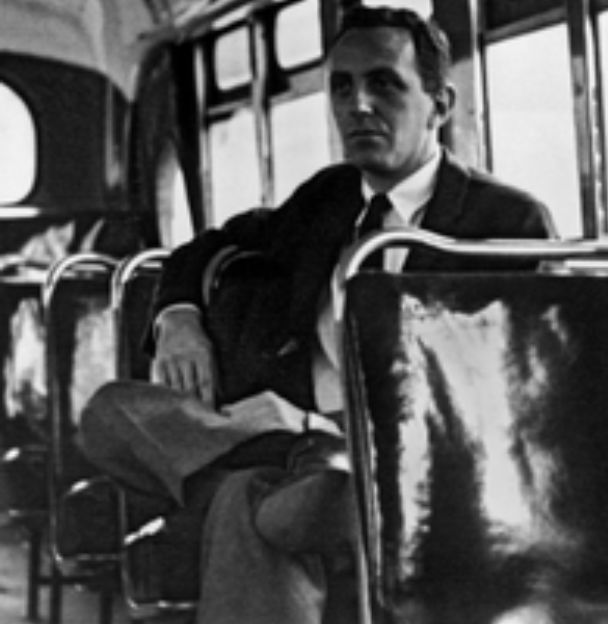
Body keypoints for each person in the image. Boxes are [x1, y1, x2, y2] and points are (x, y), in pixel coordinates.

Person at [78, 6, 555, 623]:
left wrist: (353, 432)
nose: (358, 105)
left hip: (418, 461)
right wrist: (178, 318)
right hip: (292, 444)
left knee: (241, 501)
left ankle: (301, 475)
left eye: (384, 84)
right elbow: (208, 246)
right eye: (342, 87)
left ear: (440, 104)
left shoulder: (506, 222)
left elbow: (512, 400)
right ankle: (303, 465)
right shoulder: (325, 200)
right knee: (111, 412)